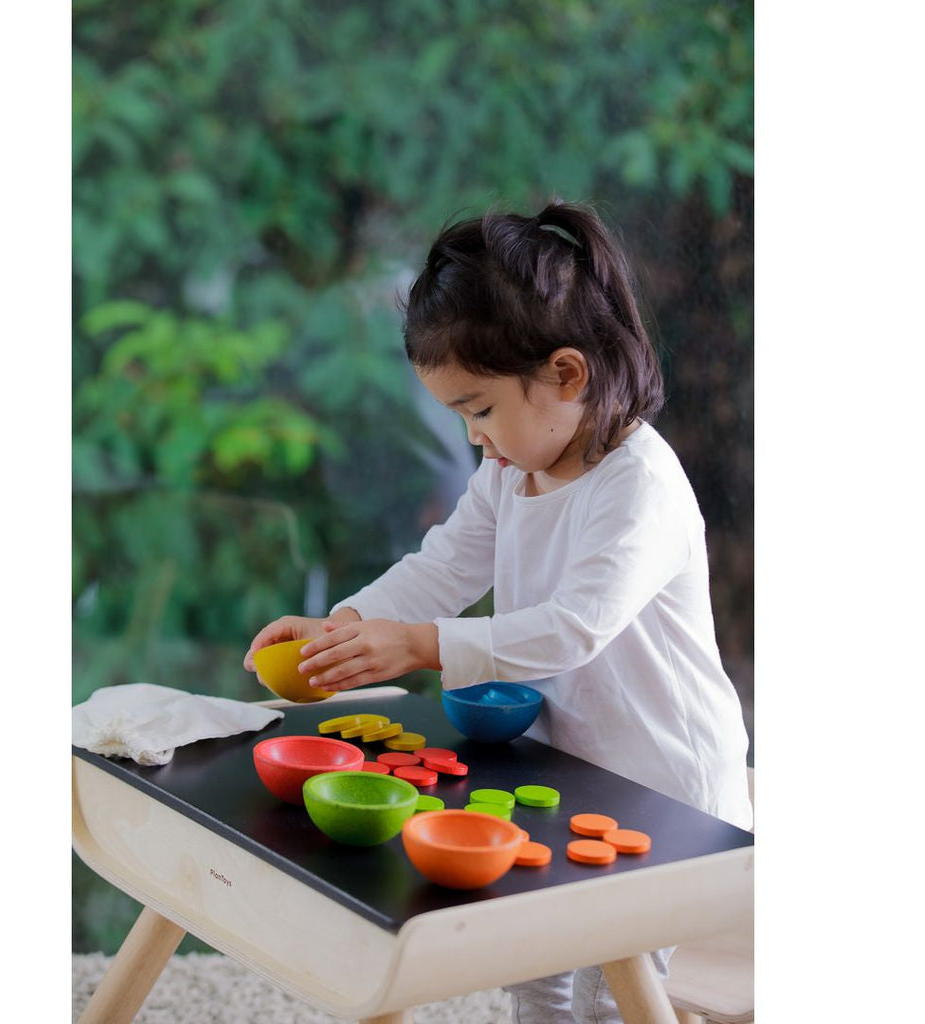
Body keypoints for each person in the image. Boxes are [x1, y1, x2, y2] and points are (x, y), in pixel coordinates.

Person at [244, 200, 753, 1023]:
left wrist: (415, 646)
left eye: (479, 409)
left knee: (608, 996)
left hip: (669, 792)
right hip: (573, 773)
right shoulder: (513, 472)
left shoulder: (640, 487)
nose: (475, 439)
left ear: (566, 374)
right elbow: (443, 567)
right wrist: (346, 626)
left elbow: (572, 627)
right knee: (535, 970)